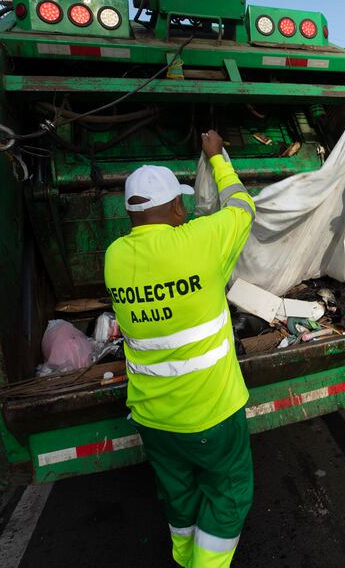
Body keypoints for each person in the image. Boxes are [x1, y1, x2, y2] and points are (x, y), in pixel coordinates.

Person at [103, 130, 256, 568]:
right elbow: (244, 207)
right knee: (228, 496)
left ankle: (185, 558)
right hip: (211, 413)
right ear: (174, 207)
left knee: (180, 496)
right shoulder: (199, 241)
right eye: (182, 203)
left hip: (153, 418)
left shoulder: (114, 257)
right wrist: (218, 158)